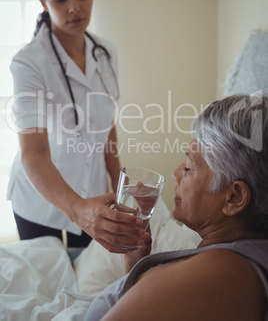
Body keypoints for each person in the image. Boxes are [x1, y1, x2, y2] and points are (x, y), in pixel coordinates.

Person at [7, 0, 147, 250]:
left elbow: (107, 124)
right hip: (40, 202)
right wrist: (77, 210)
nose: (74, 7)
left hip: (93, 194)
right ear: (43, 1)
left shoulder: (106, 52)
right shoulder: (29, 63)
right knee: (50, 285)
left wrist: (119, 184)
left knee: (88, 280)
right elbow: (35, 151)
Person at [85, 94, 268, 321]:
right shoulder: (234, 258)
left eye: (189, 167)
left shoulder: (214, 277)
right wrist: (135, 262)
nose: (175, 173)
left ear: (234, 197)